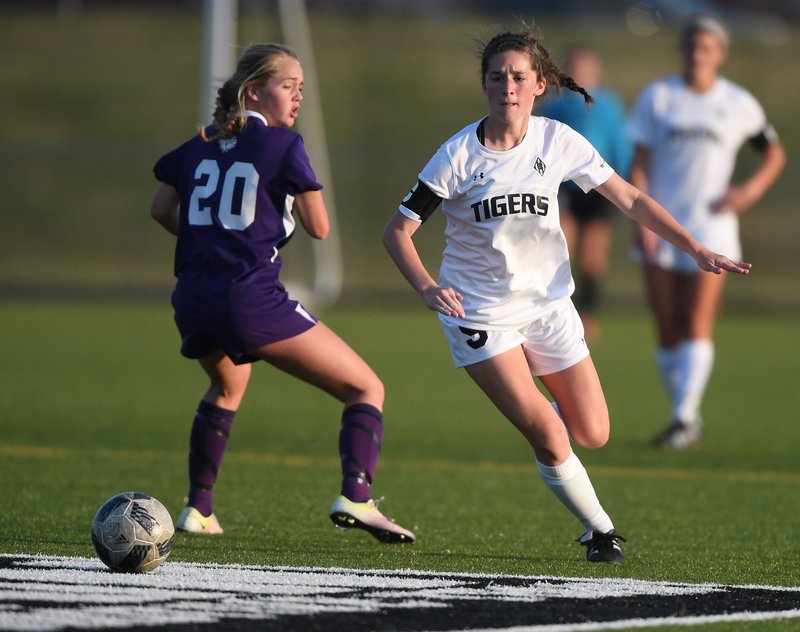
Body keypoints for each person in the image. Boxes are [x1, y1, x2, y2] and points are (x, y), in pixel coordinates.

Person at [383, 28, 750, 564]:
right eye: (496, 76)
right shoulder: (456, 155)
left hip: (549, 305)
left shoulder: (558, 141)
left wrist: (695, 247)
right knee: (551, 437)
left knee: (594, 433)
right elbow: (397, 231)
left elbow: (628, 198)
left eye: (518, 77)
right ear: (483, 85)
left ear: (539, 85)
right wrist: (426, 286)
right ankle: (600, 532)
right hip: (478, 310)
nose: (506, 86)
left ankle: (547, 415)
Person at [150, 43, 414, 543]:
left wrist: (211, 239)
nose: (297, 98)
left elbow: (161, 208)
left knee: (227, 387)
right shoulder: (285, 146)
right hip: (248, 299)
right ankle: (357, 498)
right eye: (288, 86)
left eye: (300, 89)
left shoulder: (203, 139)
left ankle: (198, 509)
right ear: (254, 91)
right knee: (366, 388)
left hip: (192, 297)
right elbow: (319, 228)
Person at [628, 15, 785, 449]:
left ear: (720, 54)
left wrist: (746, 193)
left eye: (706, 48)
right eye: (691, 47)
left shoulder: (738, 102)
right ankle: (679, 412)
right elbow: (637, 162)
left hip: (711, 226)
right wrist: (641, 220)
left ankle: (685, 416)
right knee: (666, 322)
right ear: (682, 51)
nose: (697, 55)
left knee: (697, 320)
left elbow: (773, 153)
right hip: (660, 223)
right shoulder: (659, 97)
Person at [538, 46, 632, 340]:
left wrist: (622, 179)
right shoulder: (556, 105)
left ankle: (587, 314)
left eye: (586, 68)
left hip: (599, 186)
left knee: (593, 255)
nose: (580, 74)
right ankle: (556, 310)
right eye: (574, 67)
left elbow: (619, 143)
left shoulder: (608, 103)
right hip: (564, 186)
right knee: (561, 246)